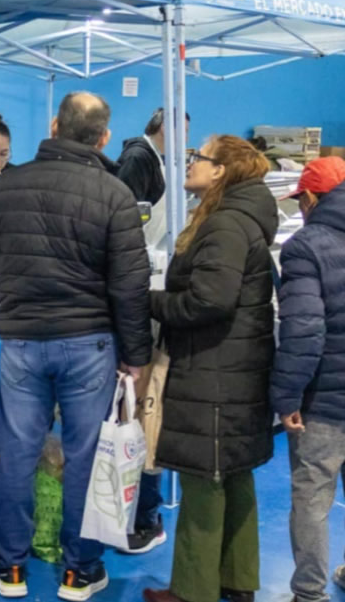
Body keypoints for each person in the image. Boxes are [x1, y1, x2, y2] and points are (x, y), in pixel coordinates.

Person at [0, 91, 152, 601]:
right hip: (89, 345)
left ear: (54, 125)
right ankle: (80, 570)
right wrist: (137, 357)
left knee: (17, 454)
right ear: (103, 137)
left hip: (22, 341)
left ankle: (9, 568)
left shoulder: (8, 184)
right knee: (85, 459)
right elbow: (130, 287)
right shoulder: (114, 194)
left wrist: (13, 267)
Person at [143, 136, 278, 602]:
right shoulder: (240, 219)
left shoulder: (224, 226)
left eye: (199, 157)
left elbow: (210, 300)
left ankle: (192, 591)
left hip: (214, 369)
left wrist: (152, 303)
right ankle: (237, 582)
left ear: (220, 171)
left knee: (206, 477)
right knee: (235, 475)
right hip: (235, 368)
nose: (191, 163)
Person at [269, 156, 345, 602]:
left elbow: (302, 330)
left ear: (312, 198)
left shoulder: (304, 246)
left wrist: (287, 396)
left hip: (326, 401)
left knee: (313, 500)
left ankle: (309, 593)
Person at [115, 108, 188, 555]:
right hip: (141, 300)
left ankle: (137, 510)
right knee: (141, 421)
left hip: (147, 291)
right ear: (166, 128)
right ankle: (136, 515)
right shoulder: (140, 159)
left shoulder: (154, 160)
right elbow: (131, 225)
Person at [116, 108, 190, 249]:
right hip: (135, 250)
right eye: (184, 131)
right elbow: (124, 213)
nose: (186, 139)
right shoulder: (137, 158)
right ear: (165, 128)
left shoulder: (159, 160)